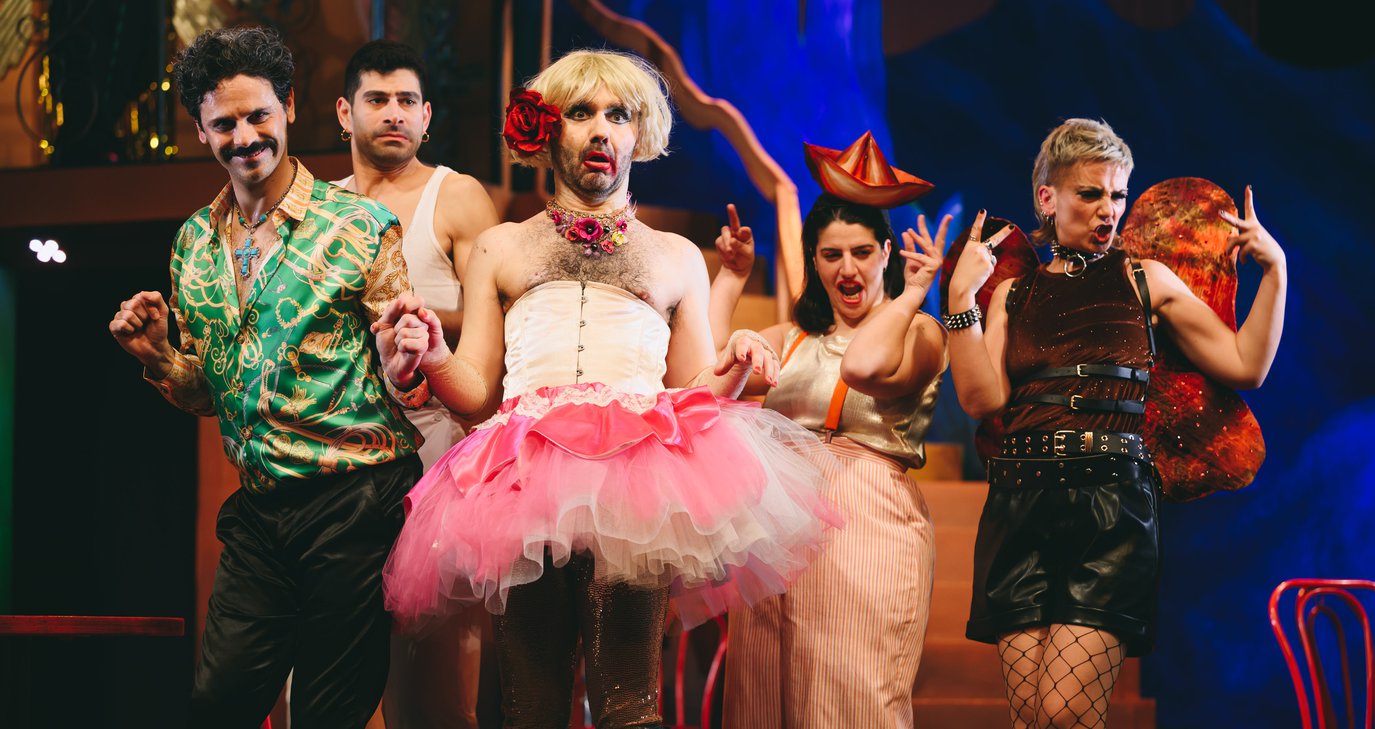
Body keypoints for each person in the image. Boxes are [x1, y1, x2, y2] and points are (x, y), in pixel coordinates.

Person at [374, 49, 839, 729]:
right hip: (522, 486)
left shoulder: (676, 255)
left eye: (618, 114)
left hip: (635, 488)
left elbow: (692, 391)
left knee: (628, 704)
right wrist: (438, 355)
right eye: (580, 112)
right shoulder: (500, 246)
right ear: (547, 129)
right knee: (530, 707)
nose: (600, 129)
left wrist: (736, 362)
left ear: (638, 131)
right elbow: (475, 391)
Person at [107, 26, 431, 729]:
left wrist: (405, 360)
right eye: (225, 124)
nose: (245, 136)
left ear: (287, 107)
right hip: (260, 510)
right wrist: (159, 356)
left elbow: (400, 367)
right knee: (217, 702)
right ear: (201, 131)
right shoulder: (193, 244)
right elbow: (211, 392)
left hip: (354, 499)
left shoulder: (360, 225)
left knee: (326, 713)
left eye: (259, 115)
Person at [945, 118, 1287, 729]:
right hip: (1020, 505)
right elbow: (980, 399)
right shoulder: (1013, 294)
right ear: (1048, 198)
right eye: (1090, 193)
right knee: (1031, 718)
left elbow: (1245, 364)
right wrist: (960, 302)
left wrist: (1275, 270)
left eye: (1118, 194)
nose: (1109, 210)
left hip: (1109, 509)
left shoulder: (1143, 278)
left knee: (1064, 713)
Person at [712, 133, 957, 728]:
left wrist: (913, 294)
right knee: (762, 699)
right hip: (776, 528)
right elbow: (707, 375)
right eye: (831, 255)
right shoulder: (794, 339)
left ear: (887, 252)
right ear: (814, 261)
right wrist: (732, 279)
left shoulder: (919, 331)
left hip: (864, 519)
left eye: (862, 252)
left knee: (849, 698)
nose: (847, 269)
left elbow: (864, 368)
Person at [334, 39, 500, 729]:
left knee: (437, 668)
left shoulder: (456, 196)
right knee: (338, 659)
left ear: (427, 116)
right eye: (377, 99)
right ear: (344, 112)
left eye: (407, 100)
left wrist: (419, 317)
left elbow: (501, 314)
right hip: (342, 448)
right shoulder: (322, 208)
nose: (393, 113)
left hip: (437, 445)